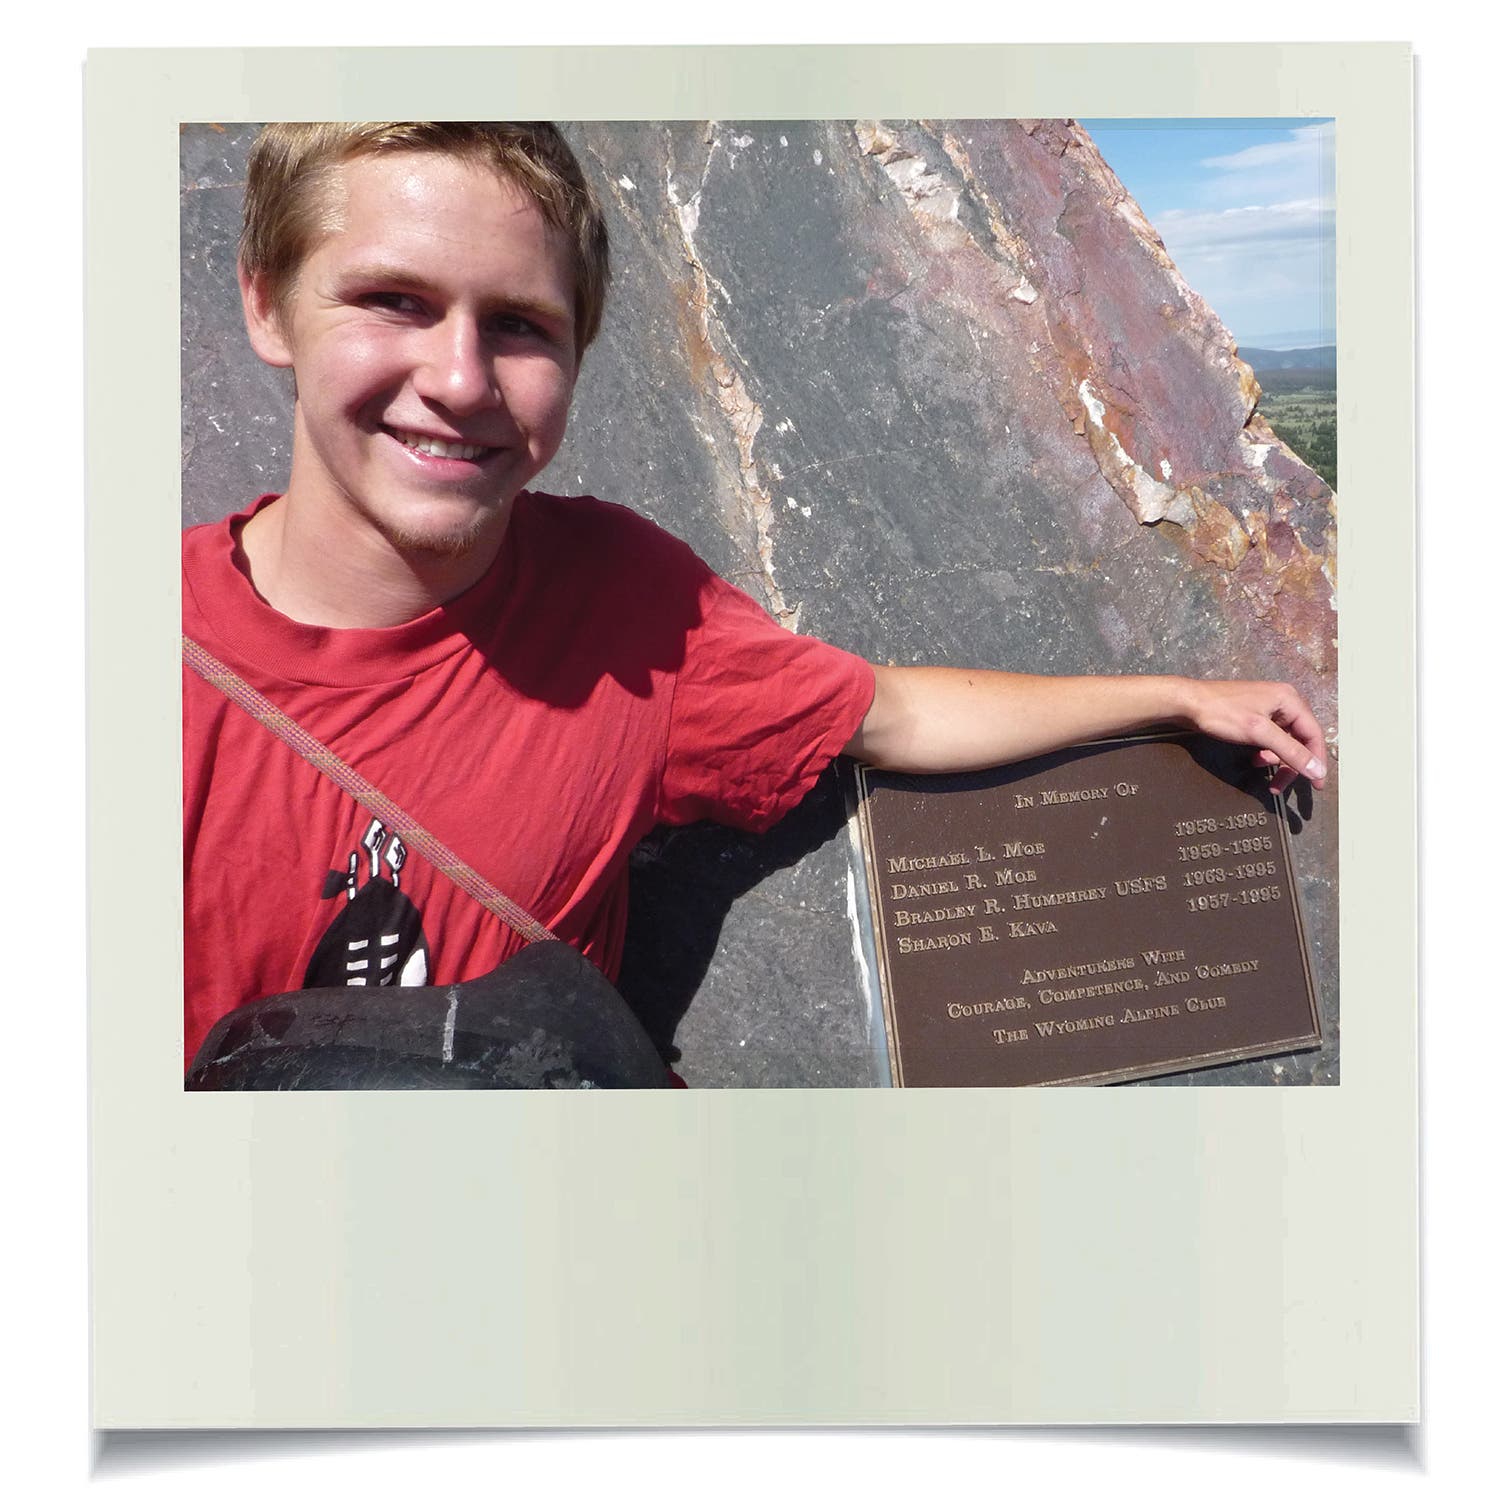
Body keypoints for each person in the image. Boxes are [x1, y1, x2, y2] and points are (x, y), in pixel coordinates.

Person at [182, 122, 1328, 1079]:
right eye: (392, 300)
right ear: (269, 306)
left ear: (578, 351)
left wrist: (1179, 694)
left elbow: (889, 714)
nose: (460, 379)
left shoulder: (626, 610)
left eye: (521, 324)